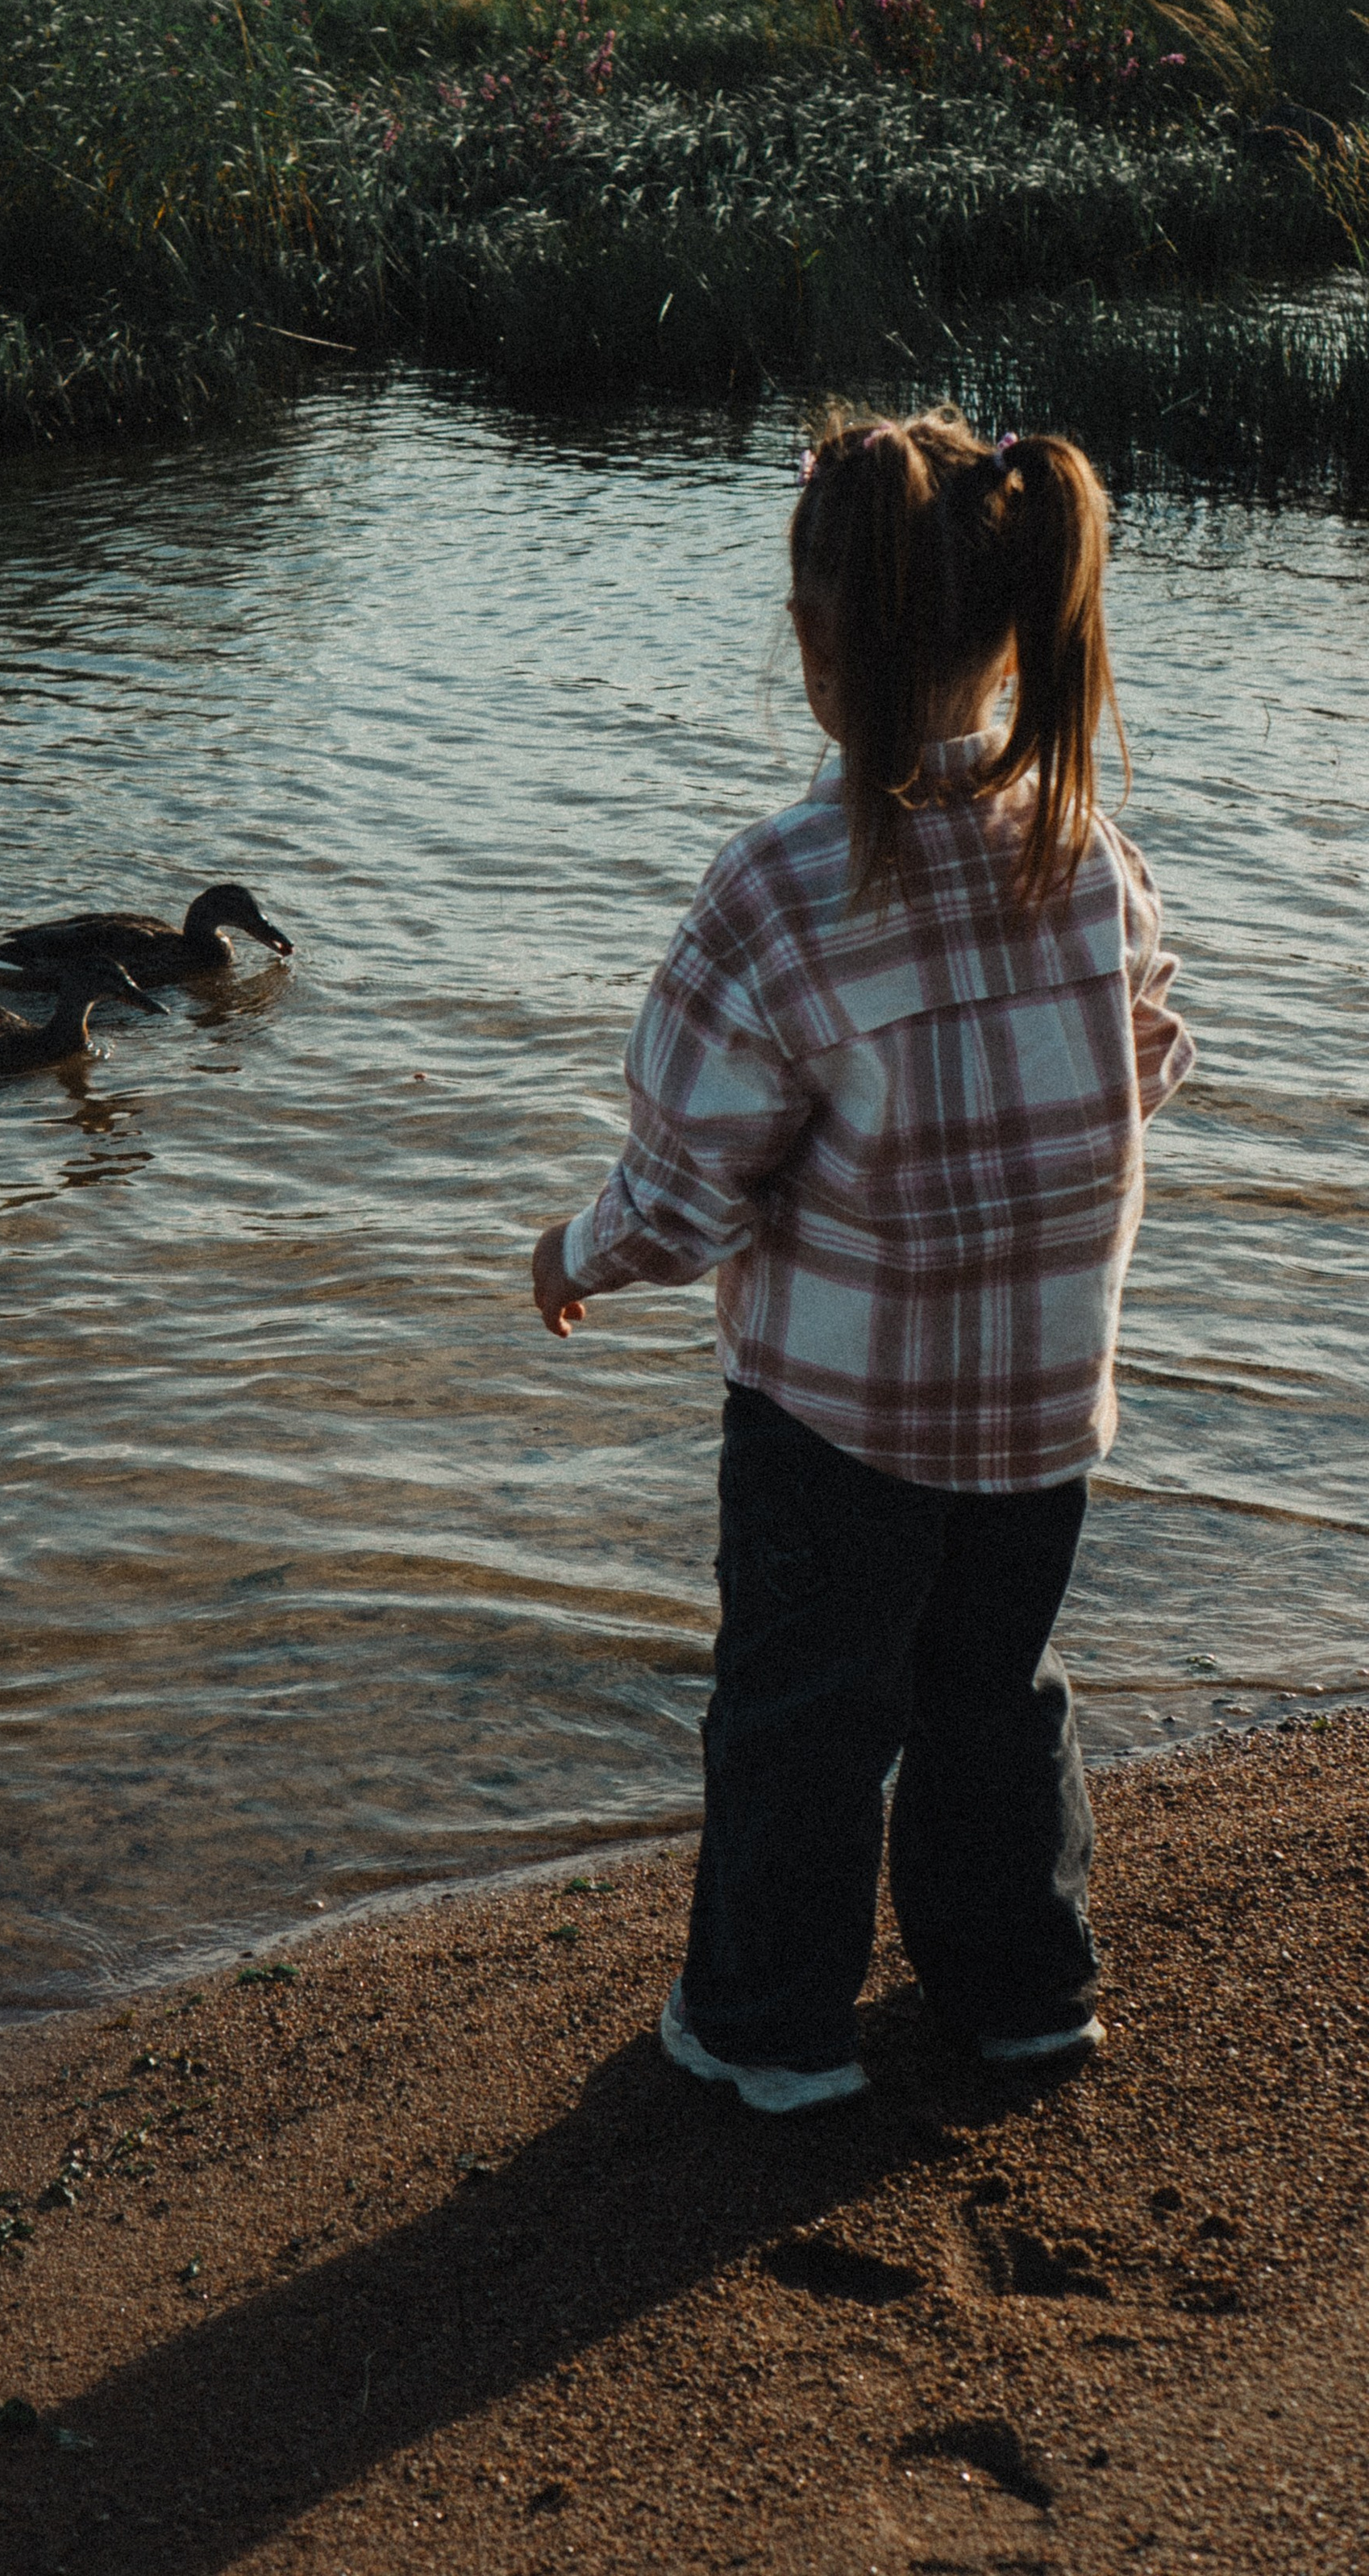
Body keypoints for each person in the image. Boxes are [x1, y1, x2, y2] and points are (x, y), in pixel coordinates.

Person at [531, 409, 1193, 2116]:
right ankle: (1020, 1997)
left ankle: (765, 2028)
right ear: (1001, 632)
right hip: (1046, 1404)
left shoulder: (774, 890)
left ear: (814, 648)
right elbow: (1155, 1055)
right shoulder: (1081, 844)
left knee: (802, 1715)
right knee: (990, 1692)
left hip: (837, 1422)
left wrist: (576, 1254)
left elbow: (686, 1187)